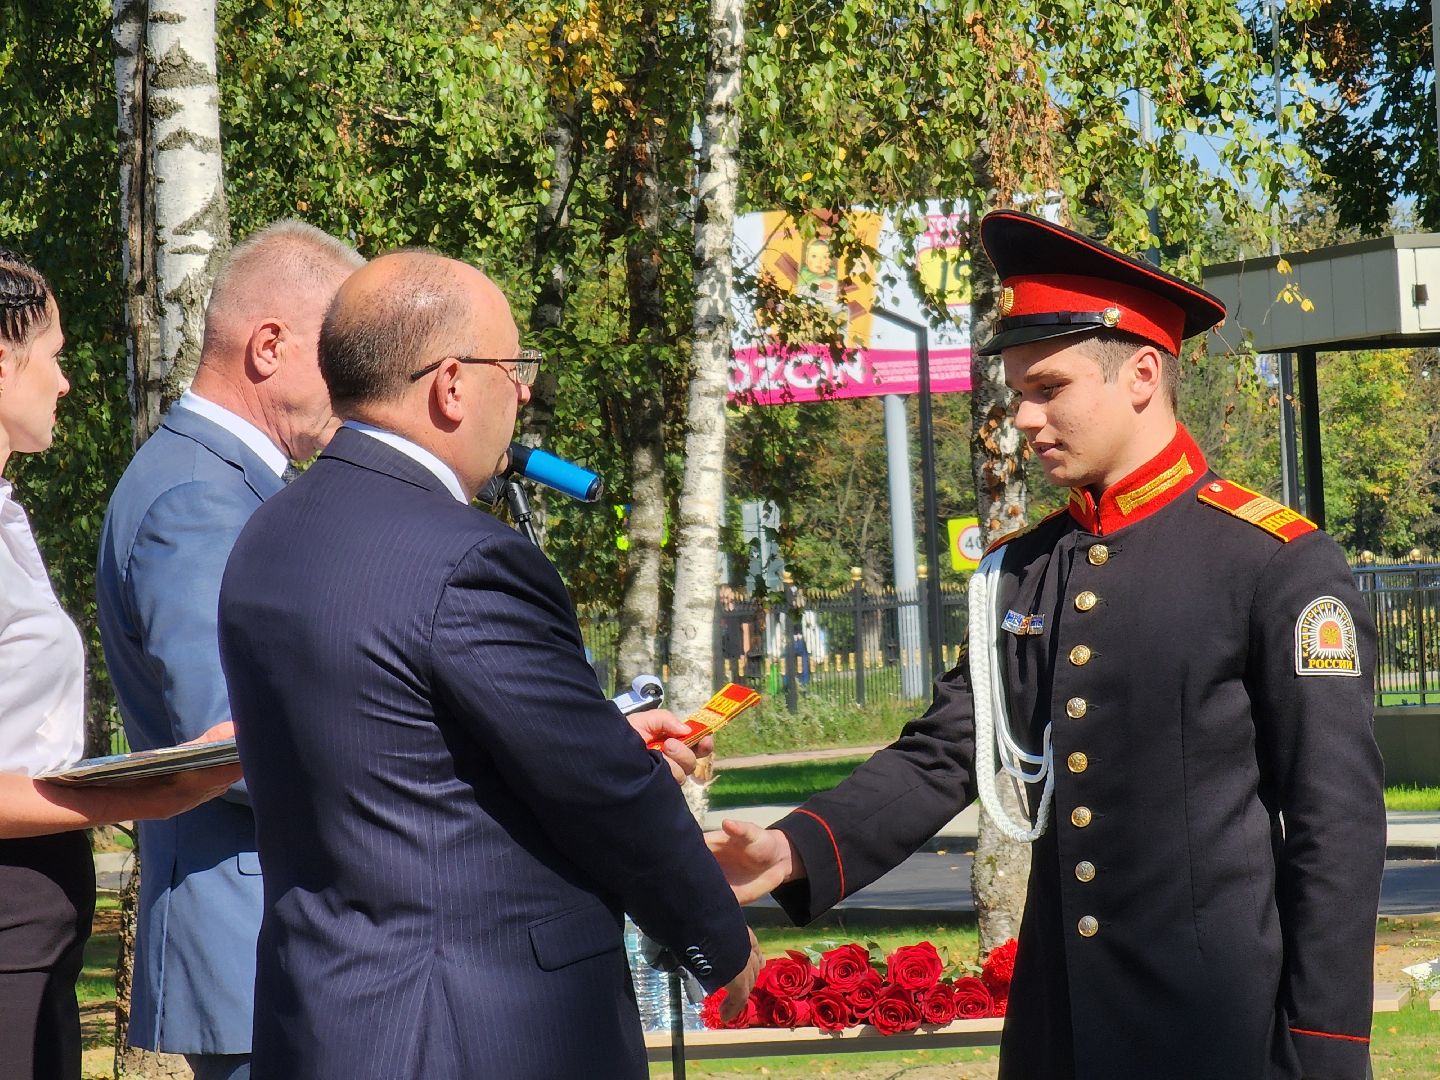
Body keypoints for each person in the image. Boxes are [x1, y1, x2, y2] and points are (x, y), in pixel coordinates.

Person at [706, 209, 1386, 1080]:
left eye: (1048, 388)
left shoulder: (1271, 562)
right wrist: (796, 844)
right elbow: (949, 752)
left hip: (1216, 1034)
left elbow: (1336, 823)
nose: (1023, 418)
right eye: (1017, 391)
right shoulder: (1022, 572)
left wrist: (1325, 1047)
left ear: (1143, 372)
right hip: (1060, 1032)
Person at [216, 250, 761, 1080]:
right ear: (452, 385)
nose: (526, 391)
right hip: (482, 1031)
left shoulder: (270, 535)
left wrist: (603, 731)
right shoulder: (467, 558)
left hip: (325, 1018)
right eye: (515, 367)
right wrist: (718, 939)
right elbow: (598, 789)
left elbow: (400, 746)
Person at [95, 220, 366, 1080]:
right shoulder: (195, 500)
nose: (357, 390)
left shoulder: (221, 485)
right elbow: (230, 740)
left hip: (268, 936)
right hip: (256, 945)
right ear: (270, 346)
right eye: (342, 358)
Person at [0, 248, 240, 1080]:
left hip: (38, 924)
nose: (65, 382)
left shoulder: (9, 518)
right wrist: (154, 787)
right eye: (55, 354)